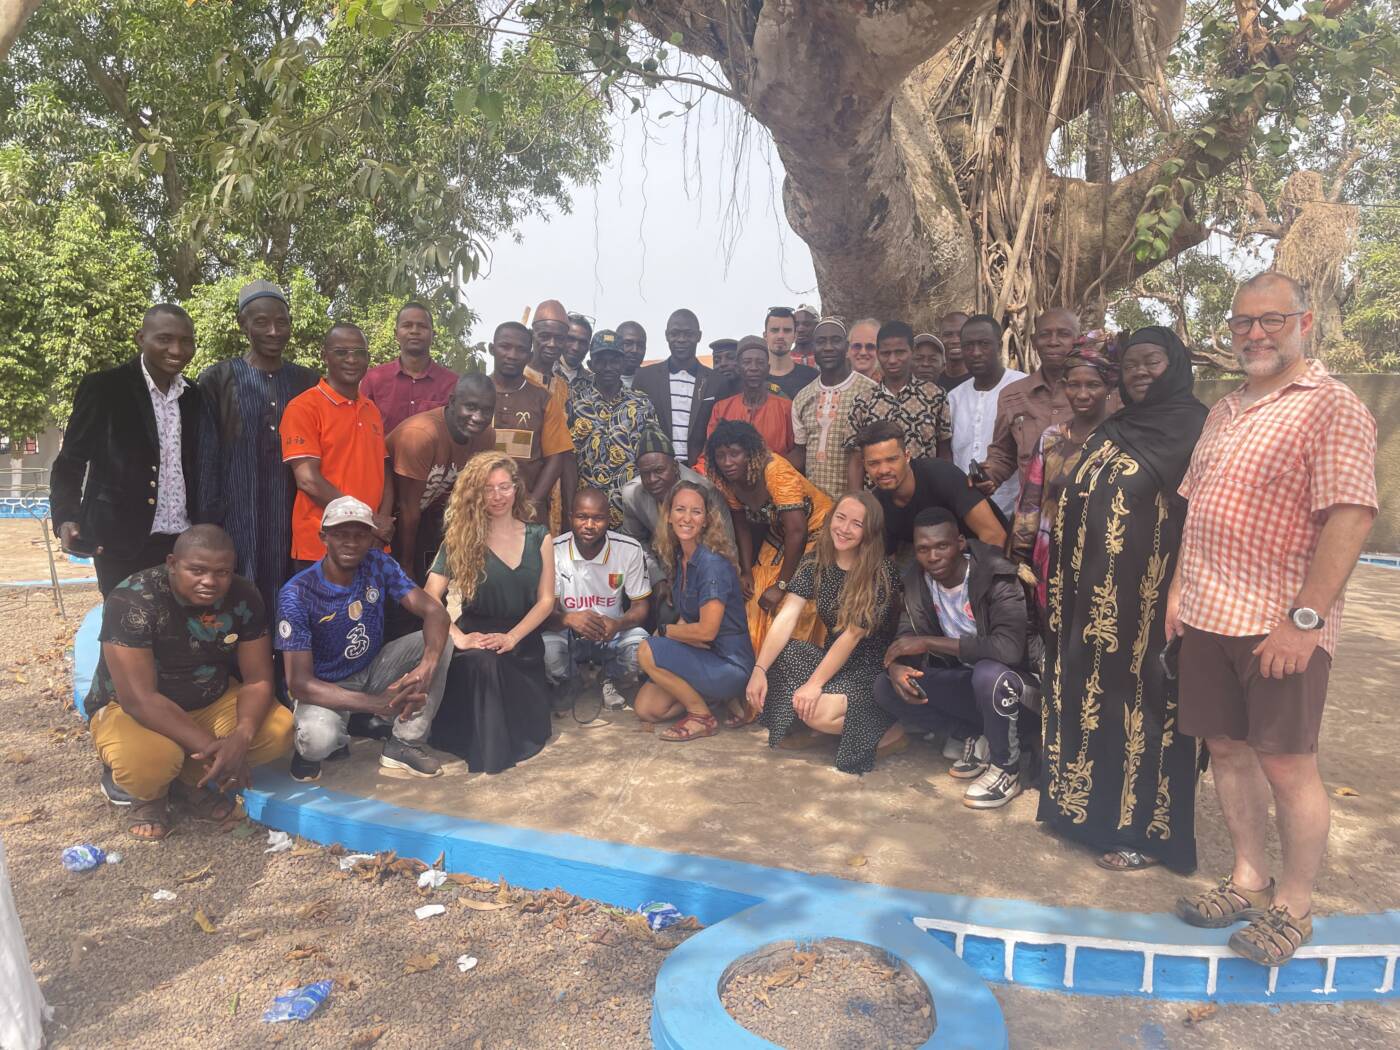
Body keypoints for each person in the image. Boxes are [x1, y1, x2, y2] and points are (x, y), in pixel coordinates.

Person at [1168, 273, 1377, 967]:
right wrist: (1177, 593)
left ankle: (1293, 904)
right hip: (1207, 615)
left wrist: (1305, 619)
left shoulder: (1332, 407)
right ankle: (1248, 877)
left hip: (1277, 624)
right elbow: (1197, 509)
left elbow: (1350, 516)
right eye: (1242, 323)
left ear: (1304, 322)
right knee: (1227, 752)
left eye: (1271, 320)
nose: (1255, 333)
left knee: (1287, 764)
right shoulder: (1224, 409)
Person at [1038, 326, 1209, 876]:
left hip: (1147, 608)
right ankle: (1079, 815)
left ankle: (1147, 834)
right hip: (1086, 604)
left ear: (1175, 364)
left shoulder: (1194, 427)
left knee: (1144, 709)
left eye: (1152, 361)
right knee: (1088, 700)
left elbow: (1201, 520)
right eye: (1131, 363)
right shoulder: (1116, 425)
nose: (1140, 372)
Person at [85, 525, 293, 840]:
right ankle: (151, 794)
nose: (210, 581)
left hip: (210, 698)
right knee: (150, 762)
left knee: (280, 731)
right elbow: (139, 699)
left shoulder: (243, 595)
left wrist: (241, 735)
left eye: (221, 572)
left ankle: (187, 783)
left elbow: (258, 678)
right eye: (197, 570)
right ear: (172, 563)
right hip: (134, 709)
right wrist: (213, 747)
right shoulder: (133, 599)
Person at [874, 509, 1042, 807]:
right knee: (885, 686)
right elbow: (906, 634)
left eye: (942, 546)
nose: (933, 556)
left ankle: (1006, 770)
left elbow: (1008, 649)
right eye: (923, 549)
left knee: (989, 673)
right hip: (971, 685)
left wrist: (926, 641)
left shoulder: (996, 575)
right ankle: (976, 737)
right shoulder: (916, 579)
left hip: (1019, 692)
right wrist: (898, 666)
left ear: (960, 543)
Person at [278, 497, 452, 781]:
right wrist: (375, 704)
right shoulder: (298, 593)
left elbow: (435, 612)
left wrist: (427, 666)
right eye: (340, 535)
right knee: (316, 740)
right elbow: (299, 683)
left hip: (371, 667)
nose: (351, 543)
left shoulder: (378, 563)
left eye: (360, 535)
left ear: (371, 539)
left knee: (439, 641)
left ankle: (404, 743)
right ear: (323, 537)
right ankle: (325, 737)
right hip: (326, 684)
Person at [52, 304, 203, 597]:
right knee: (125, 631)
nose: (177, 349)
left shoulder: (193, 396)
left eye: (187, 341)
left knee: (178, 634)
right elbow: (70, 461)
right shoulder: (106, 387)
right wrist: (66, 517)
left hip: (183, 541)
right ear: (141, 338)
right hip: (120, 538)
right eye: (164, 339)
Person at [746, 493, 903, 774]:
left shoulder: (881, 571)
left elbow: (852, 636)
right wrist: (759, 669)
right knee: (785, 654)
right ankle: (817, 719)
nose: (844, 528)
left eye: (857, 524)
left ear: (869, 531)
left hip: (870, 667)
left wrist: (813, 685)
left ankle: (890, 726)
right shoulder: (817, 560)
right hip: (834, 659)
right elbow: (787, 616)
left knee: (818, 713)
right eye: (840, 518)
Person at [425, 454, 555, 773]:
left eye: (504, 487)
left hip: (521, 639)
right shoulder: (460, 538)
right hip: (477, 636)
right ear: (474, 494)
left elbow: (546, 601)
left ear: (516, 489)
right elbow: (429, 595)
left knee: (497, 662)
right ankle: (489, 753)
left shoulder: (540, 537)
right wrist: (458, 637)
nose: (497, 496)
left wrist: (512, 637)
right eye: (487, 489)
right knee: (484, 662)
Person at [196, 279, 318, 620]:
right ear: (243, 325)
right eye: (262, 322)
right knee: (236, 603)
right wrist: (207, 524)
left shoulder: (306, 381)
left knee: (293, 599)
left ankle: (287, 672)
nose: (273, 331)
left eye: (282, 322)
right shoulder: (218, 379)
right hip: (237, 516)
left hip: (293, 517)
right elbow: (207, 458)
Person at [633, 481, 754, 741]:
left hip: (728, 664)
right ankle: (715, 699)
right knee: (647, 708)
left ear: (707, 519)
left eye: (696, 512)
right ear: (668, 515)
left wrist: (663, 634)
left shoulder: (711, 563)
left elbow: (707, 631)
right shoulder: (681, 557)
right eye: (680, 509)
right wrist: (663, 645)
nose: (687, 518)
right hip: (705, 656)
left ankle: (701, 716)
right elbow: (687, 617)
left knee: (646, 649)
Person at [706, 420, 832, 653]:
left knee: (796, 594)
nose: (727, 462)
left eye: (735, 454)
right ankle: (755, 656)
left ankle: (791, 659)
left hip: (819, 533)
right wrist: (745, 570)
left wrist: (782, 585)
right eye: (721, 456)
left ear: (751, 452)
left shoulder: (775, 471)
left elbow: (798, 530)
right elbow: (741, 524)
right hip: (781, 534)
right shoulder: (727, 479)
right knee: (756, 583)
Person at [280, 323, 395, 568]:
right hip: (321, 547)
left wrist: (381, 520)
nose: (351, 359)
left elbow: (382, 470)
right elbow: (308, 480)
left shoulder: (371, 409)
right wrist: (366, 521)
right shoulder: (303, 408)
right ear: (325, 356)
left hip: (370, 543)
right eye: (341, 352)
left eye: (359, 352)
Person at [1012, 348, 1117, 606]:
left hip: (1103, 557)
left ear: (1109, 388)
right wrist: (1019, 554)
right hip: (1052, 556)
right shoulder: (1051, 439)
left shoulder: (1120, 439)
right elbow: (1031, 502)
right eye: (1074, 385)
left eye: (1093, 385)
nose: (1082, 394)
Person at [983, 309, 1118, 502]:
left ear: (1078, 339)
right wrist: (988, 476)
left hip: (1091, 512)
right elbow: (1004, 455)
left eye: (1063, 334)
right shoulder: (1012, 396)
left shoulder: (1109, 394)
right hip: (1032, 515)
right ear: (1034, 340)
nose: (1053, 342)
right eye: (1045, 334)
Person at [542, 488, 652, 711]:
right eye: (582, 517)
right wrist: (569, 620)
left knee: (641, 647)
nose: (590, 525)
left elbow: (641, 606)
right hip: (569, 634)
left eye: (598, 518)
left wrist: (618, 624)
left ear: (609, 519)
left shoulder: (629, 549)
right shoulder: (553, 550)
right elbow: (545, 614)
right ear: (570, 517)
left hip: (612, 634)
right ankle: (572, 678)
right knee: (547, 650)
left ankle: (609, 677)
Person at [387, 373, 497, 581]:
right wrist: (406, 566)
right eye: (471, 407)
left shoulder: (486, 436)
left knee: (433, 587)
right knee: (400, 590)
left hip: (424, 516)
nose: (478, 417)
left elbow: (470, 495)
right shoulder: (421, 434)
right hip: (389, 519)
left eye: (487, 410)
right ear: (453, 401)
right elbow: (407, 509)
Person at [619, 428, 733, 623]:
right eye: (645, 474)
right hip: (662, 565)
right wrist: (658, 578)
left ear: (675, 466)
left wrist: (685, 584)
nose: (652, 480)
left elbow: (725, 547)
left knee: (673, 614)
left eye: (659, 471)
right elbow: (635, 543)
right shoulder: (633, 494)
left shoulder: (703, 491)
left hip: (704, 570)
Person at [853, 421, 1006, 555]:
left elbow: (994, 536)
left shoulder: (940, 474)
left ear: (907, 456)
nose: (884, 470)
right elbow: (888, 563)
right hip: (938, 571)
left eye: (892, 459)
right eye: (874, 463)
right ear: (864, 464)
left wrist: (978, 586)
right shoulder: (877, 504)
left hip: (990, 561)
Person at [844, 320, 952, 493]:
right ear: (878, 354)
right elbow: (856, 458)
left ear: (912, 352)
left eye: (900, 352)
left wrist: (946, 492)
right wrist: (857, 501)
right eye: (886, 353)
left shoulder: (935, 396)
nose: (892, 360)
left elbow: (944, 451)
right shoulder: (863, 402)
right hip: (878, 499)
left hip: (926, 495)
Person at [566, 330, 660, 526]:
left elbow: (654, 453)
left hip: (632, 510)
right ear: (591, 365)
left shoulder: (641, 404)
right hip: (587, 512)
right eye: (601, 361)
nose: (608, 367)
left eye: (615, 361)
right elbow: (566, 458)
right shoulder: (574, 402)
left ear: (624, 363)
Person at [486, 319, 574, 521]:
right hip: (480, 506)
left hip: (527, 511)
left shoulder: (543, 399)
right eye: (505, 347)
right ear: (492, 349)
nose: (512, 355)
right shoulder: (476, 393)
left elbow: (556, 456)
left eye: (521, 350)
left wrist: (533, 503)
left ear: (529, 355)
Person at [947, 314, 1026, 518]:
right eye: (968, 346)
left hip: (1013, 510)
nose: (976, 353)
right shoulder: (953, 398)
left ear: (999, 346)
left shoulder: (1023, 388)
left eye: (984, 344)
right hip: (965, 511)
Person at [791, 319, 877, 499]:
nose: (828, 347)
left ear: (846, 347)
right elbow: (801, 453)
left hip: (859, 506)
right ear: (813, 348)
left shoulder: (871, 392)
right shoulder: (802, 398)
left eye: (835, 341)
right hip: (815, 507)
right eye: (821, 342)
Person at [359, 302, 459, 435]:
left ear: (433, 335)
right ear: (396, 334)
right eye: (407, 325)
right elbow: (361, 429)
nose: (414, 331)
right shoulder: (373, 379)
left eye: (422, 326)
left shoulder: (453, 384)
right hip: (382, 456)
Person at [633, 309, 713, 465]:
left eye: (688, 334)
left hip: (700, 472)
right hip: (657, 471)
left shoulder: (716, 381)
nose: (681, 339)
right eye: (675, 333)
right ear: (666, 335)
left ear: (699, 336)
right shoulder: (645, 377)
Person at [708, 340, 795, 457]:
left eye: (760, 362)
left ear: (768, 368)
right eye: (747, 362)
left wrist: (773, 470)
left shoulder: (786, 408)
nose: (753, 368)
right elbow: (710, 453)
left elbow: (797, 452)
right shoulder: (721, 409)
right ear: (738, 368)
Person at [687, 336, 741, 455]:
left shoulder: (753, 395)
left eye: (730, 358)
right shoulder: (704, 397)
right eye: (717, 360)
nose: (723, 364)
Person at [763, 306, 819, 400]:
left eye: (787, 330)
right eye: (775, 330)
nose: (780, 336)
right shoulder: (754, 378)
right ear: (765, 336)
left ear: (795, 336)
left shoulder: (813, 378)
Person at [526, 298, 573, 400]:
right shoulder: (515, 378)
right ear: (531, 335)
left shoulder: (562, 387)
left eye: (559, 338)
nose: (552, 344)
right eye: (544, 336)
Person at [937, 311, 972, 391]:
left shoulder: (983, 382)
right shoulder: (933, 383)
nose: (955, 340)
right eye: (948, 334)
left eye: (961, 334)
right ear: (940, 338)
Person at [560, 312, 594, 388]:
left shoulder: (592, 383)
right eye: (571, 339)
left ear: (588, 347)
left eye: (583, 342)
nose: (576, 347)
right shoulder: (544, 371)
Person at [617, 320, 647, 389]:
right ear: (616, 344)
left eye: (640, 345)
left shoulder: (653, 381)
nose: (634, 350)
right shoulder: (599, 382)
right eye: (628, 343)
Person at [791, 303, 820, 367]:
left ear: (816, 326)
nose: (800, 329)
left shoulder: (825, 358)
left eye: (806, 324)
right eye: (796, 325)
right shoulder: (783, 360)